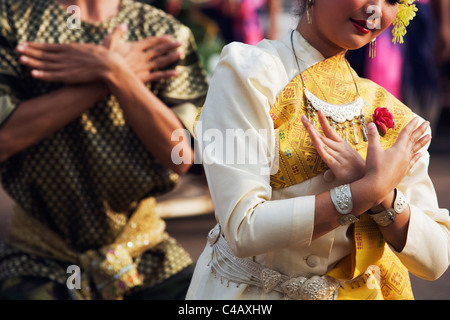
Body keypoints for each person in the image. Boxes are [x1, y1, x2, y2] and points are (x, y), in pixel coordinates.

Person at [186, 0, 450, 300]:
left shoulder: (392, 113)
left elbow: (437, 258)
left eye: (392, 0)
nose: (376, 9)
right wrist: (364, 191)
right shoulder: (251, 73)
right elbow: (243, 228)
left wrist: (384, 198)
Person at [0, 0, 208, 300]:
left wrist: (112, 71)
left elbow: (182, 155)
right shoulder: (12, 20)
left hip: (145, 253)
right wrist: (110, 74)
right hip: (37, 258)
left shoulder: (162, 32)